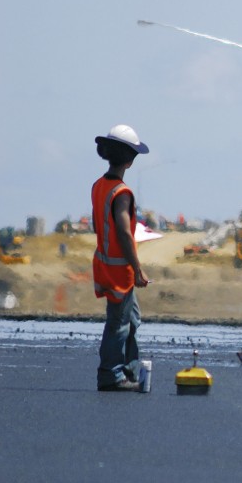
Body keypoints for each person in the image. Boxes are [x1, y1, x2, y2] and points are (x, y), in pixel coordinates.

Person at [91, 124, 151, 392]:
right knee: (118, 323)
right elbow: (125, 233)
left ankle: (128, 370)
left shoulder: (99, 186)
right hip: (119, 269)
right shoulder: (121, 193)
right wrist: (137, 268)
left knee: (131, 319)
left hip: (104, 264)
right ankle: (111, 375)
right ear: (129, 160)